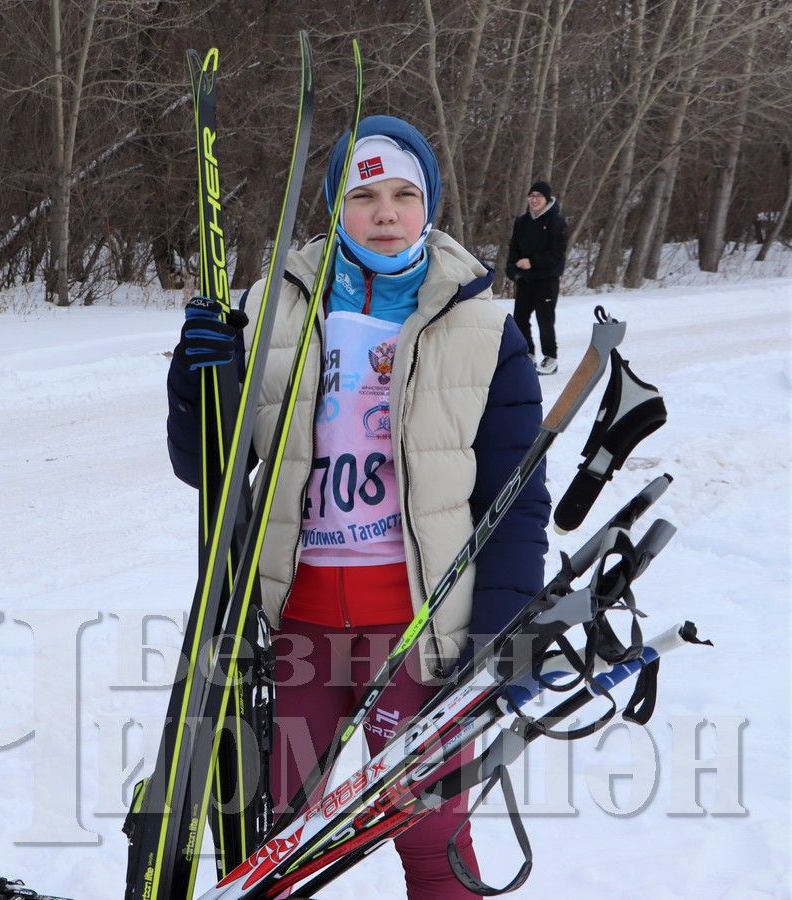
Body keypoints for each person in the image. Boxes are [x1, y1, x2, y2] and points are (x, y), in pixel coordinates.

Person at [166, 116, 549, 899]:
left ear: (429, 204)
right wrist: (192, 378)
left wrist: (502, 642)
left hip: (415, 629)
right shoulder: (269, 309)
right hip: (296, 626)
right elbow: (205, 466)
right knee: (269, 840)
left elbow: (515, 502)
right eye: (363, 193)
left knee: (429, 829)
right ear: (334, 207)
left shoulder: (485, 330)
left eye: (404, 194)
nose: (384, 212)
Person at [506, 180, 568, 375]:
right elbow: (514, 249)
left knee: (545, 319)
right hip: (526, 280)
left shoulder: (557, 222)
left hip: (547, 280)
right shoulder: (522, 222)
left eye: (538, 197)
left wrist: (532, 262)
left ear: (547, 199)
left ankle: (550, 358)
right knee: (519, 319)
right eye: (531, 196)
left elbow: (557, 254)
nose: (533, 200)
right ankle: (528, 354)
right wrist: (512, 269)